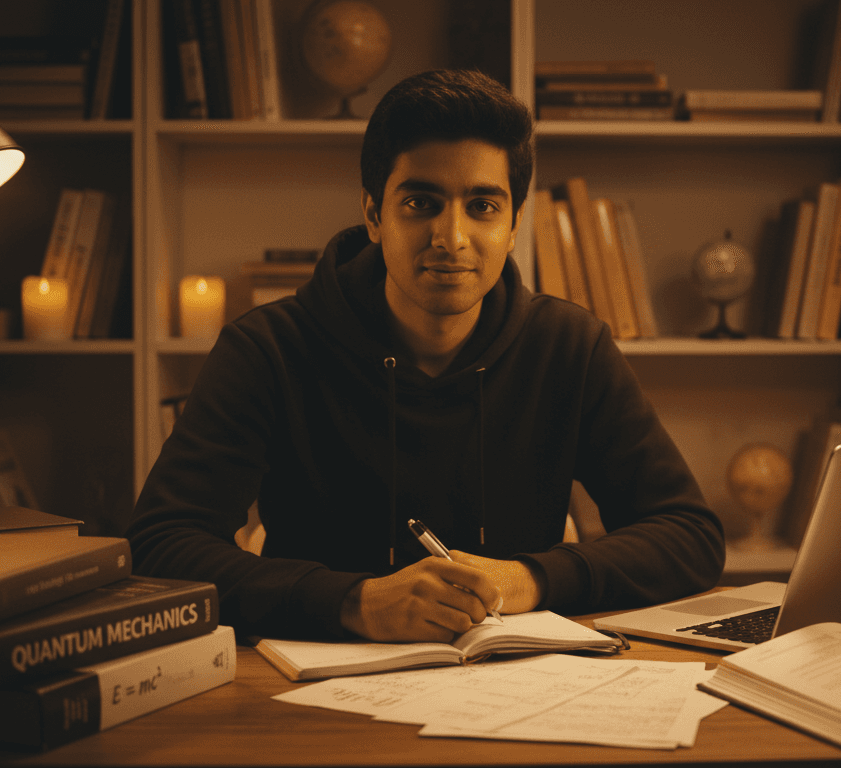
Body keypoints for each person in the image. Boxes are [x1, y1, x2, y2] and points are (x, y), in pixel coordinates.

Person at [127, 69, 724, 644]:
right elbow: (163, 544)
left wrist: (528, 578)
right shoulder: (269, 348)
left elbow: (690, 535)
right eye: (421, 203)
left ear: (515, 222)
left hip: (516, 683)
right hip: (316, 687)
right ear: (372, 215)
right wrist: (354, 602)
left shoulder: (570, 347)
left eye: (483, 207)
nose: (452, 238)